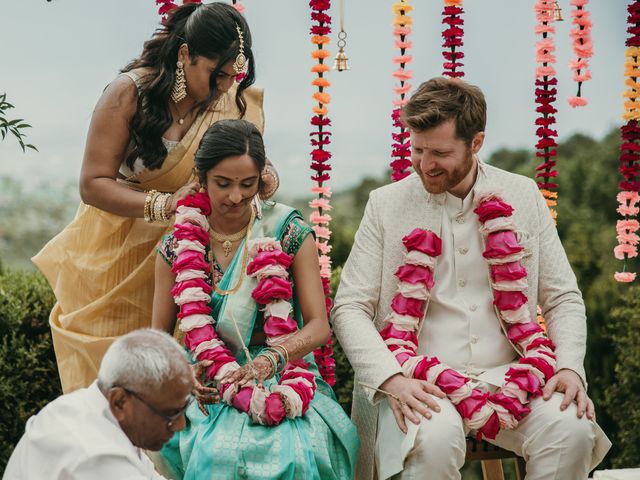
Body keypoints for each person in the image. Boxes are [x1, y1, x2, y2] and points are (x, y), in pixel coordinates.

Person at [331, 77, 611, 480]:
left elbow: (562, 296)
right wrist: (392, 378)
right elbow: (349, 308)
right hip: (419, 380)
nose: (425, 164)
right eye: (418, 149)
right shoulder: (385, 204)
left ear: (476, 143)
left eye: (440, 152)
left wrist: (568, 367)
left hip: (514, 375)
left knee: (573, 431)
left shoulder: (523, 194)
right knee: (433, 441)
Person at [32, 2, 275, 394]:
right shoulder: (129, 93)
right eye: (218, 74)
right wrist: (165, 205)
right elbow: (92, 183)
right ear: (185, 55)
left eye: (235, 75)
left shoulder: (233, 101)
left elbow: (256, 165)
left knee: (179, 386)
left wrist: (263, 179)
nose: (228, 85)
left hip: (191, 259)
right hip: (115, 258)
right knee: (118, 389)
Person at [152, 119, 359, 479]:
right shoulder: (175, 247)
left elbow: (318, 326)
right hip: (207, 385)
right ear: (201, 179)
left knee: (294, 453)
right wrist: (183, 374)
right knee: (213, 452)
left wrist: (271, 360)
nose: (235, 196)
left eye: (247, 184)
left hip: (283, 371)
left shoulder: (288, 231)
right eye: (223, 184)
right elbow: (156, 339)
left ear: (261, 179)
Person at [4, 329, 193, 480]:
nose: (180, 425)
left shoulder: (82, 406)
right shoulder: (96, 456)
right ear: (119, 401)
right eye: (170, 414)